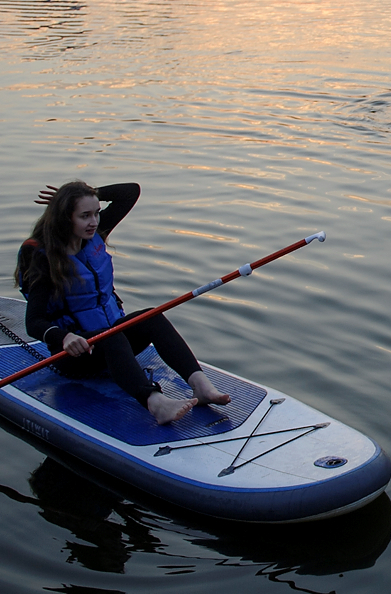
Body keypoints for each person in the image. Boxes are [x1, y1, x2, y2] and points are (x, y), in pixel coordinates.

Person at [16, 181, 230, 425]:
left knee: (151, 316)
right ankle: (156, 403)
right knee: (112, 335)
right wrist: (64, 338)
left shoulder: (96, 234)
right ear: (65, 218)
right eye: (84, 215)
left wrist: (87, 195)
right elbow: (33, 323)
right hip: (74, 355)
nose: (94, 222)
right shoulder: (46, 258)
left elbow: (130, 192)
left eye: (96, 213)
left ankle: (200, 386)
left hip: (111, 343)